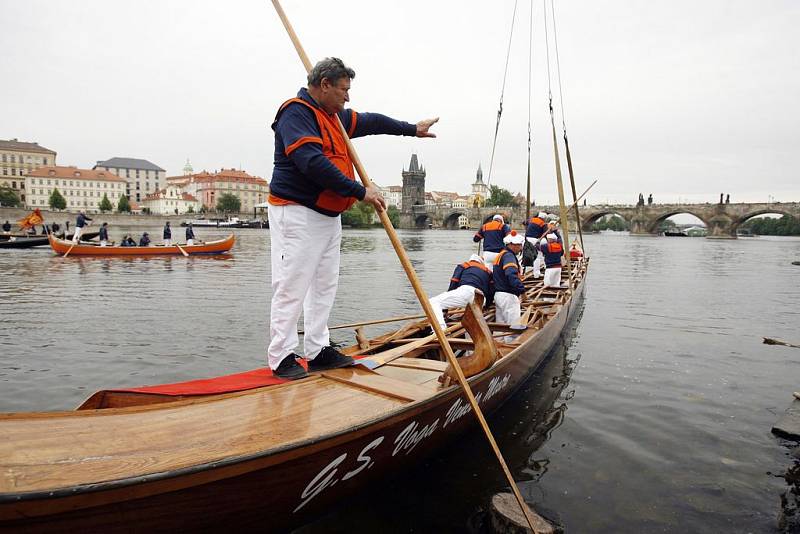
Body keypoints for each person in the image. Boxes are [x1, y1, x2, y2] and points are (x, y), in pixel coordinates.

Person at [267, 57, 438, 380]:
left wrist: (411, 130)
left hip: (329, 215)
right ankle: (281, 356)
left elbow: (372, 122)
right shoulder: (296, 114)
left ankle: (317, 350)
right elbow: (311, 162)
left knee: (324, 284)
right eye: (343, 90)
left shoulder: (335, 118)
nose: (348, 97)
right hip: (297, 212)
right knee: (292, 284)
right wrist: (361, 191)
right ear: (324, 85)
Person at [428, 254, 494, 330]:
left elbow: (453, 283)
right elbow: (491, 292)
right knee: (471, 316)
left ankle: (440, 329)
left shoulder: (463, 266)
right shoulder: (488, 271)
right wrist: (486, 306)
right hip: (481, 299)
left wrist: (445, 308)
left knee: (432, 302)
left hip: (467, 291)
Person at [492, 232, 526, 326]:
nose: (520, 248)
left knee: (501, 324)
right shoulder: (509, 256)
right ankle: (512, 341)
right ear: (511, 245)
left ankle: (499, 340)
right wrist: (522, 291)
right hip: (508, 296)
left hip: (499, 294)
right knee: (513, 326)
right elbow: (511, 274)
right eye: (519, 245)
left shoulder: (501, 254)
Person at [523, 211, 548, 276]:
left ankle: (521, 271)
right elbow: (545, 234)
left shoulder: (531, 220)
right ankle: (536, 273)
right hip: (535, 239)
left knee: (525, 255)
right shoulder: (543, 224)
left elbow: (524, 222)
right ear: (544, 218)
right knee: (538, 256)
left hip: (527, 239)